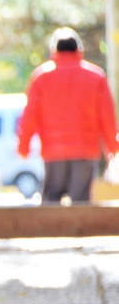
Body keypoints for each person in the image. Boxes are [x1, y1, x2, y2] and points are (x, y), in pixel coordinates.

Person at [18, 27, 119, 203]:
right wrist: (112, 146)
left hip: (53, 150)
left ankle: (49, 230)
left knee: (51, 199)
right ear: (79, 50)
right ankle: (78, 230)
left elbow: (30, 116)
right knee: (80, 203)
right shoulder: (96, 77)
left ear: (54, 50)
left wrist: (23, 146)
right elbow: (107, 117)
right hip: (85, 151)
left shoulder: (41, 77)